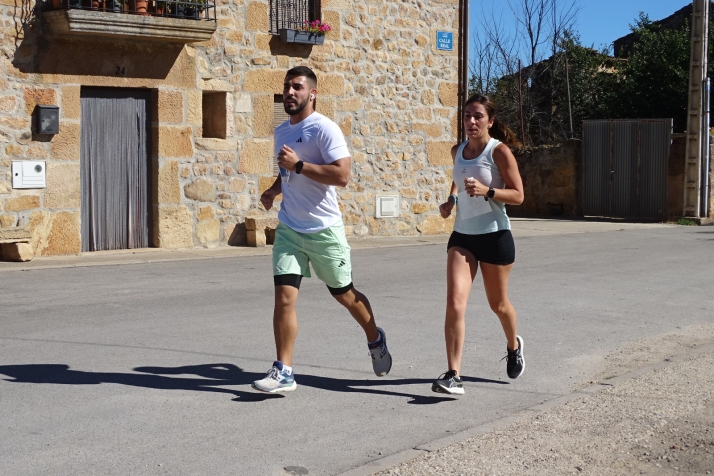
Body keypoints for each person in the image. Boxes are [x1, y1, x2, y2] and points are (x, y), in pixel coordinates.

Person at [252, 66, 392, 393]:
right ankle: (283, 370)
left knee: (345, 295)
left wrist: (299, 165)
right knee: (284, 299)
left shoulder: (324, 129)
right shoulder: (282, 131)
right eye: (287, 86)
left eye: (297, 87)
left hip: (324, 230)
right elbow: (288, 173)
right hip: (289, 228)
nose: (289, 92)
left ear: (312, 93)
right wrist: (275, 189)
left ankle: (375, 338)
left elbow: (342, 175)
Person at [432, 94, 525, 396]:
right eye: (467, 115)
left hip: (495, 235)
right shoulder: (456, 150)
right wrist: (452, 199)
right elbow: (459, 178)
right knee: (455, 303)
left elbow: (519, 195)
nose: (471, 121)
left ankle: (513, 346)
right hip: (463, 237)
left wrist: (488, 191)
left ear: (490, 121)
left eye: (478, 116)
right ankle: (453, 374)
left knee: (498, 305)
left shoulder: (499, 152)